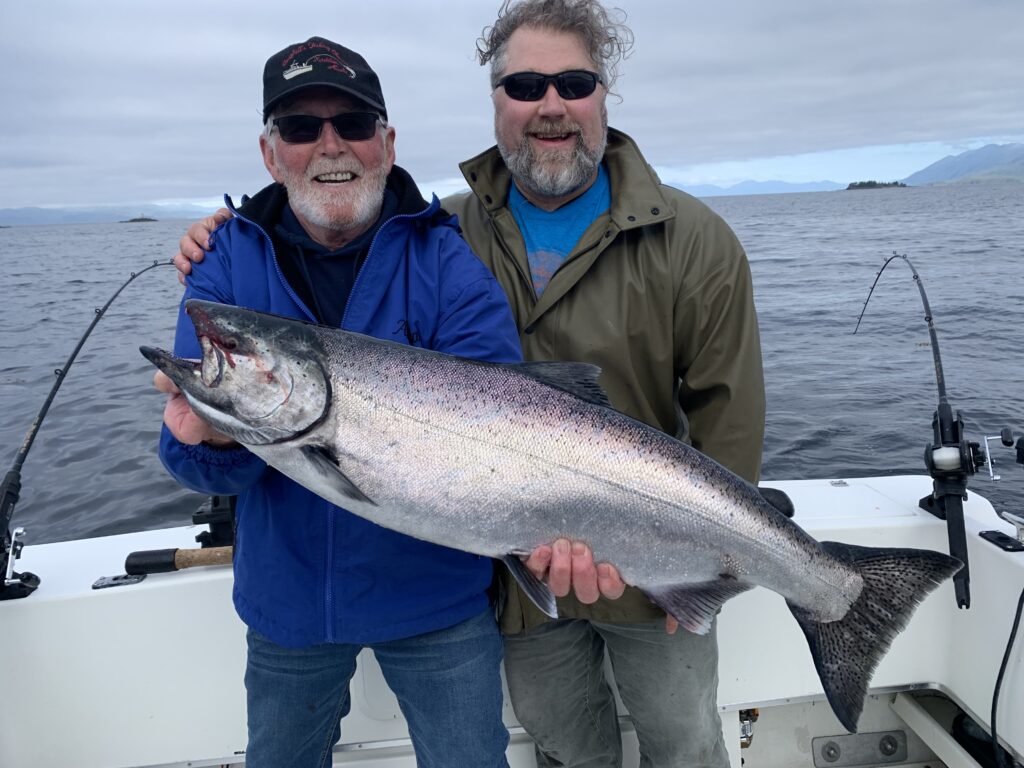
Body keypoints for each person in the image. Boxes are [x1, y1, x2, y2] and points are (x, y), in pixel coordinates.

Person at [175, 3, 765, 765]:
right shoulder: (445, 228)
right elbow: (193, 453)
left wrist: (709, 550)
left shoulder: (684, 240)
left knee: (683, 745)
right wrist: (214, 428)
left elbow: (729, 416)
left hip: (638, 556)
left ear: (602, 95)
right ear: (497, 104)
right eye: (524, 85)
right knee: (562, 748)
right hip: (494, 577)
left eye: (572, 82)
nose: (549, 104)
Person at [158, 36, 520, 768]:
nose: (331, 146)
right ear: (269, 153)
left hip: (436, 602)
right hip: (286, 606)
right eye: (300, 128)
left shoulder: (449, 267)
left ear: (386, 143)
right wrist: (211, 441)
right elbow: (190, 462)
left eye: (353, 124)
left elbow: (508, 439)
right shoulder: (223, 270)